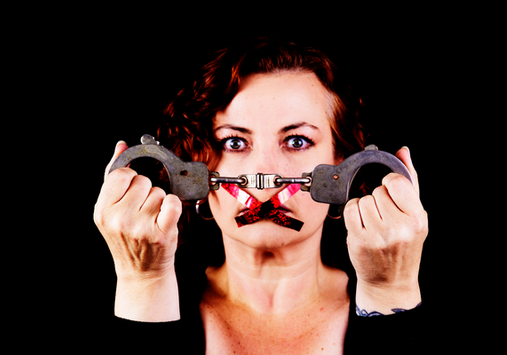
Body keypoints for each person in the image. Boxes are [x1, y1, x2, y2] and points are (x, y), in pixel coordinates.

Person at [93, 36, 429, 354]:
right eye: (234, 142)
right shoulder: (151, 295)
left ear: (341, 161)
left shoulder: (397, 296)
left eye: (297, 141)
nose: (266, 180)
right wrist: (144, 282)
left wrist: (390, 289)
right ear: (198, 161)